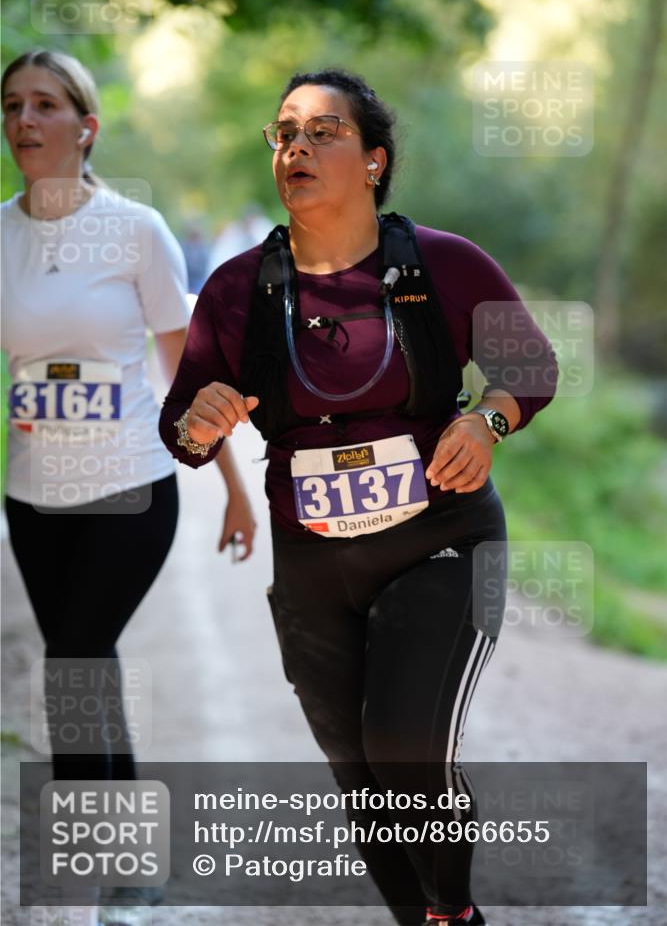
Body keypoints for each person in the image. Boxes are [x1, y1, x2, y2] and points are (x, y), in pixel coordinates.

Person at [159, 68, 559, 926]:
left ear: (373, 160)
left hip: (439, 539)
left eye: (321, 131)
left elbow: (530, 368)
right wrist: (200, 422)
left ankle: (453, 913)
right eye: (283, 133)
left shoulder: (444, 264)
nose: (295, 147)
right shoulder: (237, 290)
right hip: (312, 566)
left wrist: (487, 421)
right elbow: (181, 430)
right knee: (359, 778)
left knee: (402, 748)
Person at [1, 49, 256, 926]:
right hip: (33, 495)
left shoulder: (136, 229)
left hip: (132, 486)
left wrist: (231, 482)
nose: (24, 123)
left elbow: (184, 368)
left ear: (86, 126)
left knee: (71, 664)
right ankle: (132, 865)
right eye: (11, 107)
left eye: (44, 106)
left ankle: (84, 875)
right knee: (89, 666)